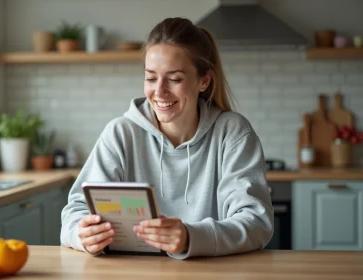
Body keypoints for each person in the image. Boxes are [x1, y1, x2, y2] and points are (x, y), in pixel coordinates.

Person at [61, 17, 274, 259]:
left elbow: (256, 223)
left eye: (174, 79)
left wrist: (190, 237)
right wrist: (82, 235)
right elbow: (74, 212)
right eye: (151, 78)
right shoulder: (120, 133)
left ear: (203, 80)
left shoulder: (232, 132)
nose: (159, 91)